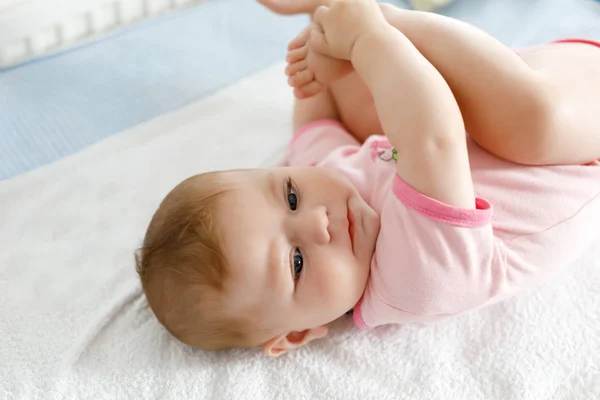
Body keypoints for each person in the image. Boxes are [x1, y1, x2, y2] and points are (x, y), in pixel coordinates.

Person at [136, 0, 600, 356]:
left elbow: (312, 129)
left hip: (489, 91)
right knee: (530, 125)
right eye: (296, 262)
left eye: (290, 196)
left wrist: (314, 66)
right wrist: (363, 42)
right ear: (297, 333)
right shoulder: (411, 280)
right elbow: (434, 139)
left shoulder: (325, 183)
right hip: (575, 125)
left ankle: (329, 16)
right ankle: (370, 16)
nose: (317, 221)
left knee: (361, 101)